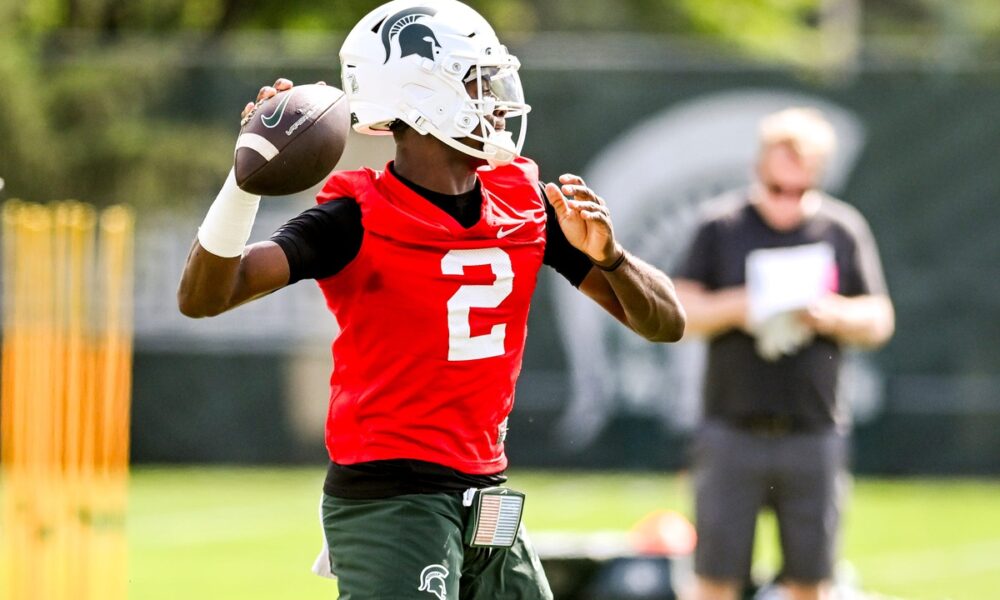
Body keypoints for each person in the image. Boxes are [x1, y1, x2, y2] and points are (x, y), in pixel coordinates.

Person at [177, 1, 686, 598]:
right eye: (476, 82)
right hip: (392, 495)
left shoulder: (527, 203)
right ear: (422, 95)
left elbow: (666, 324)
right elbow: (206, 296)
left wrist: (611, 258)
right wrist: (244, 182)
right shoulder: (353, 219)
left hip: (487, 490)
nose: (495, 103)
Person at [672, 107, 894, 600]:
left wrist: (828, 314)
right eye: (776, 189)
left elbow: (879, 319)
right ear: (759, 171)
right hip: (732, 428)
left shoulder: (841, 229)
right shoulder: (721, 226)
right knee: (714, 577)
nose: (787, 204)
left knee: (812, 580)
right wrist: (741, 306)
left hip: (813, 430)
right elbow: (678, 310)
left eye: (799, 191)